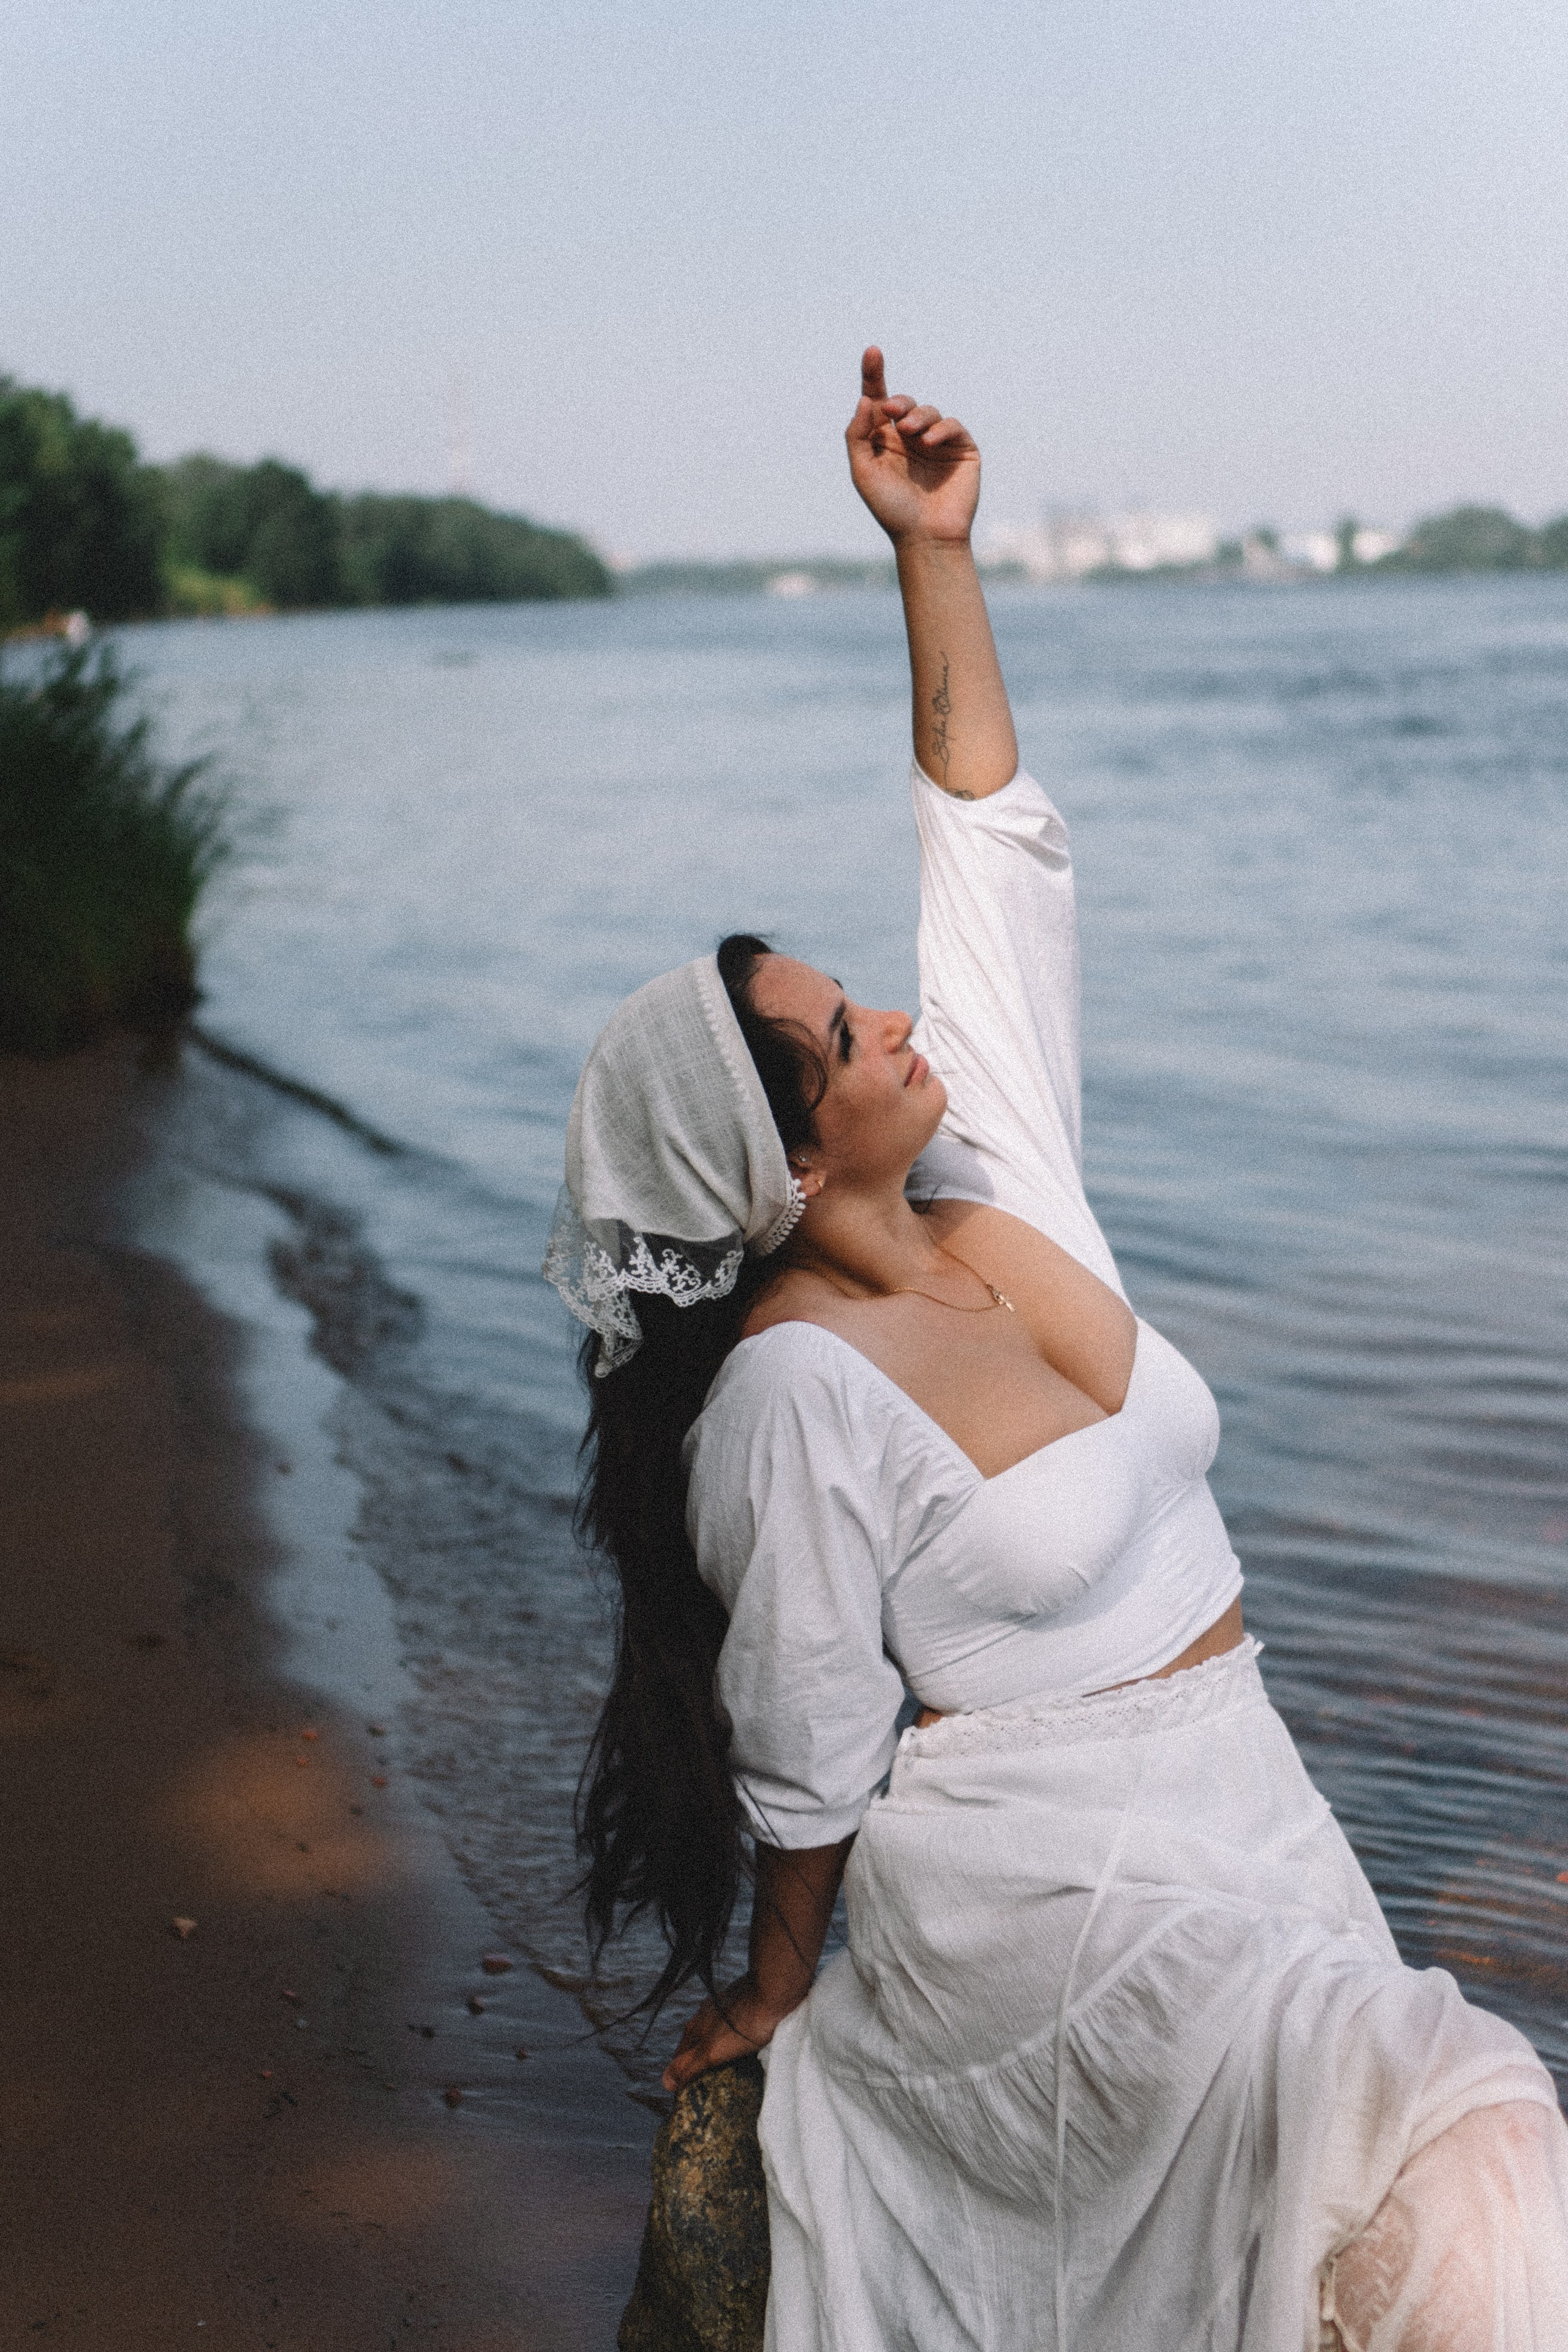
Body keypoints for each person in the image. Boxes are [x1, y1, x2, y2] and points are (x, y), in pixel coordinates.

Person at [545, 349, 1568, 2350]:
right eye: (848, 1039)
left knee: (1385, 2220)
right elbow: (808, 1737)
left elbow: (991, 847)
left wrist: (933, 553)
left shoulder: (991, 1165)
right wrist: (776, 1996)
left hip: (1254, 1811)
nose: (899, 1028)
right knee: (1481, 2126)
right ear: (776, 1166)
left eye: (867, 1000)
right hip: (1046, 1888)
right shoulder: (789, 1396)